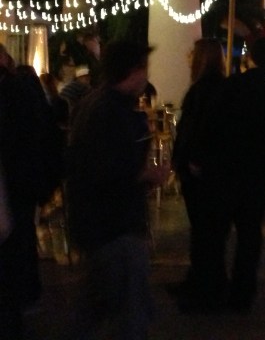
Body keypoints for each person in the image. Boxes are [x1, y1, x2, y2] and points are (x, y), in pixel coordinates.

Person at [65, 40, 171, 339]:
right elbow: (107, 170)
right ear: (132, 70)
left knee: (97, 305)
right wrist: (148, 174)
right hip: (115, 225)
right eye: (144, 68)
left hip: (98, 224)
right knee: (128, 311)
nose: (146, 75)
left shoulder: (96, 104)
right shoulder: (111, 112)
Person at [204, 36, 265, 313]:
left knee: (218, 231)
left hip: (228, 168)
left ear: (250, 57)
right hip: (257, 172)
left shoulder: (231, 86)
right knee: (250, 233)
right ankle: (243, 292)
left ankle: (215, 286)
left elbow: (214, 125)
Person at [169, 38, 226, 309]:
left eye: (193, 52)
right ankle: (201, 281)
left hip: (203, 172)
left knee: (206, 230)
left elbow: (203, 128)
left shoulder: (205, 89)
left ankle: (207, 288)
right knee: (206, 230)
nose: (188, 56)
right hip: (207, 170)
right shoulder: (214, 88)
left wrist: (194, 160)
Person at [0, 48, 50, 339]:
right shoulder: (22, 90)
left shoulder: (12, 93)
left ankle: (19, 302)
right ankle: (24, 296)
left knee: (15, 240)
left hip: (15, 180)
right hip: (23, 179)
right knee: (21, 235)